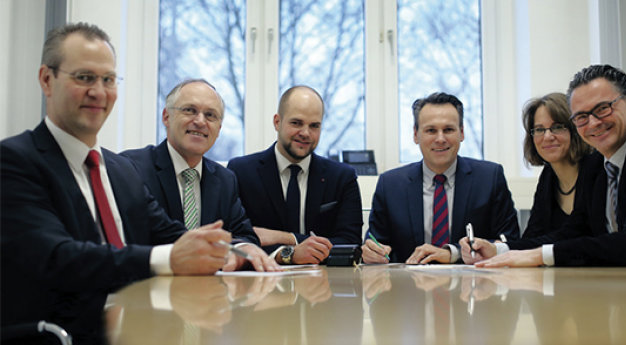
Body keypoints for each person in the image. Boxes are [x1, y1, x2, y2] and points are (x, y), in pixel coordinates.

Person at [0, 23, 232, 344]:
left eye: (108, 80)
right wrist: (166, 258)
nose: (98, 91)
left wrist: (231, 253)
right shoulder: (14, 161)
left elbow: (170, 234)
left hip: (145, 324)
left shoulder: (122, 169)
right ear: (46, 79)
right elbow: (60, 258)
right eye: (84, 77)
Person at [463, 64, 626, 267]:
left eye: (602, 109)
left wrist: (540, 256)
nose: (593, 123)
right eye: (581, 117)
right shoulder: (598, 162)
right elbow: (575, 230)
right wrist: (501, 250)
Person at [121, 79, 280, 272]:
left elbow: (244, 234)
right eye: (189, 110)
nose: (200, 121)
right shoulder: (131, 168)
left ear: (219, 129)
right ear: (166, 117)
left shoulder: (225, 179)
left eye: (210, 115)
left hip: (210, 294)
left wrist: (240, 249)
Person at [362, 92, 520, 264]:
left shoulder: (489, 178)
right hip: (408, 285)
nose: (440, 139)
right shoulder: (390, 184)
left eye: (448, 130)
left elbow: (510, 242)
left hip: (474, 285)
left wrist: (455, 253)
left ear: (461, 133)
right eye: (431, 130)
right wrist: (372, 252)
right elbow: (376, 243)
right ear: (415, 135)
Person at [227, 85, 363, 264]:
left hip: (325, 285)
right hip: (260, 283)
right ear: (277, 122)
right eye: (296, 123)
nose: (305, 133)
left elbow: (350, 244)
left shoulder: (342, 177)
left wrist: (288, 238)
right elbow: (235, 240)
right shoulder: (240, 171)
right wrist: (288, 254)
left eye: (314, 126)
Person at [518, 92, 598, 243]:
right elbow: (533, 235)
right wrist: (499, 249)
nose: (547, 136)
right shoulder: (548, 177)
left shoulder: (595, 168)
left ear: (574, 130)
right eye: (540, 130)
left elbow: (576, 235)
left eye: (557, 127)